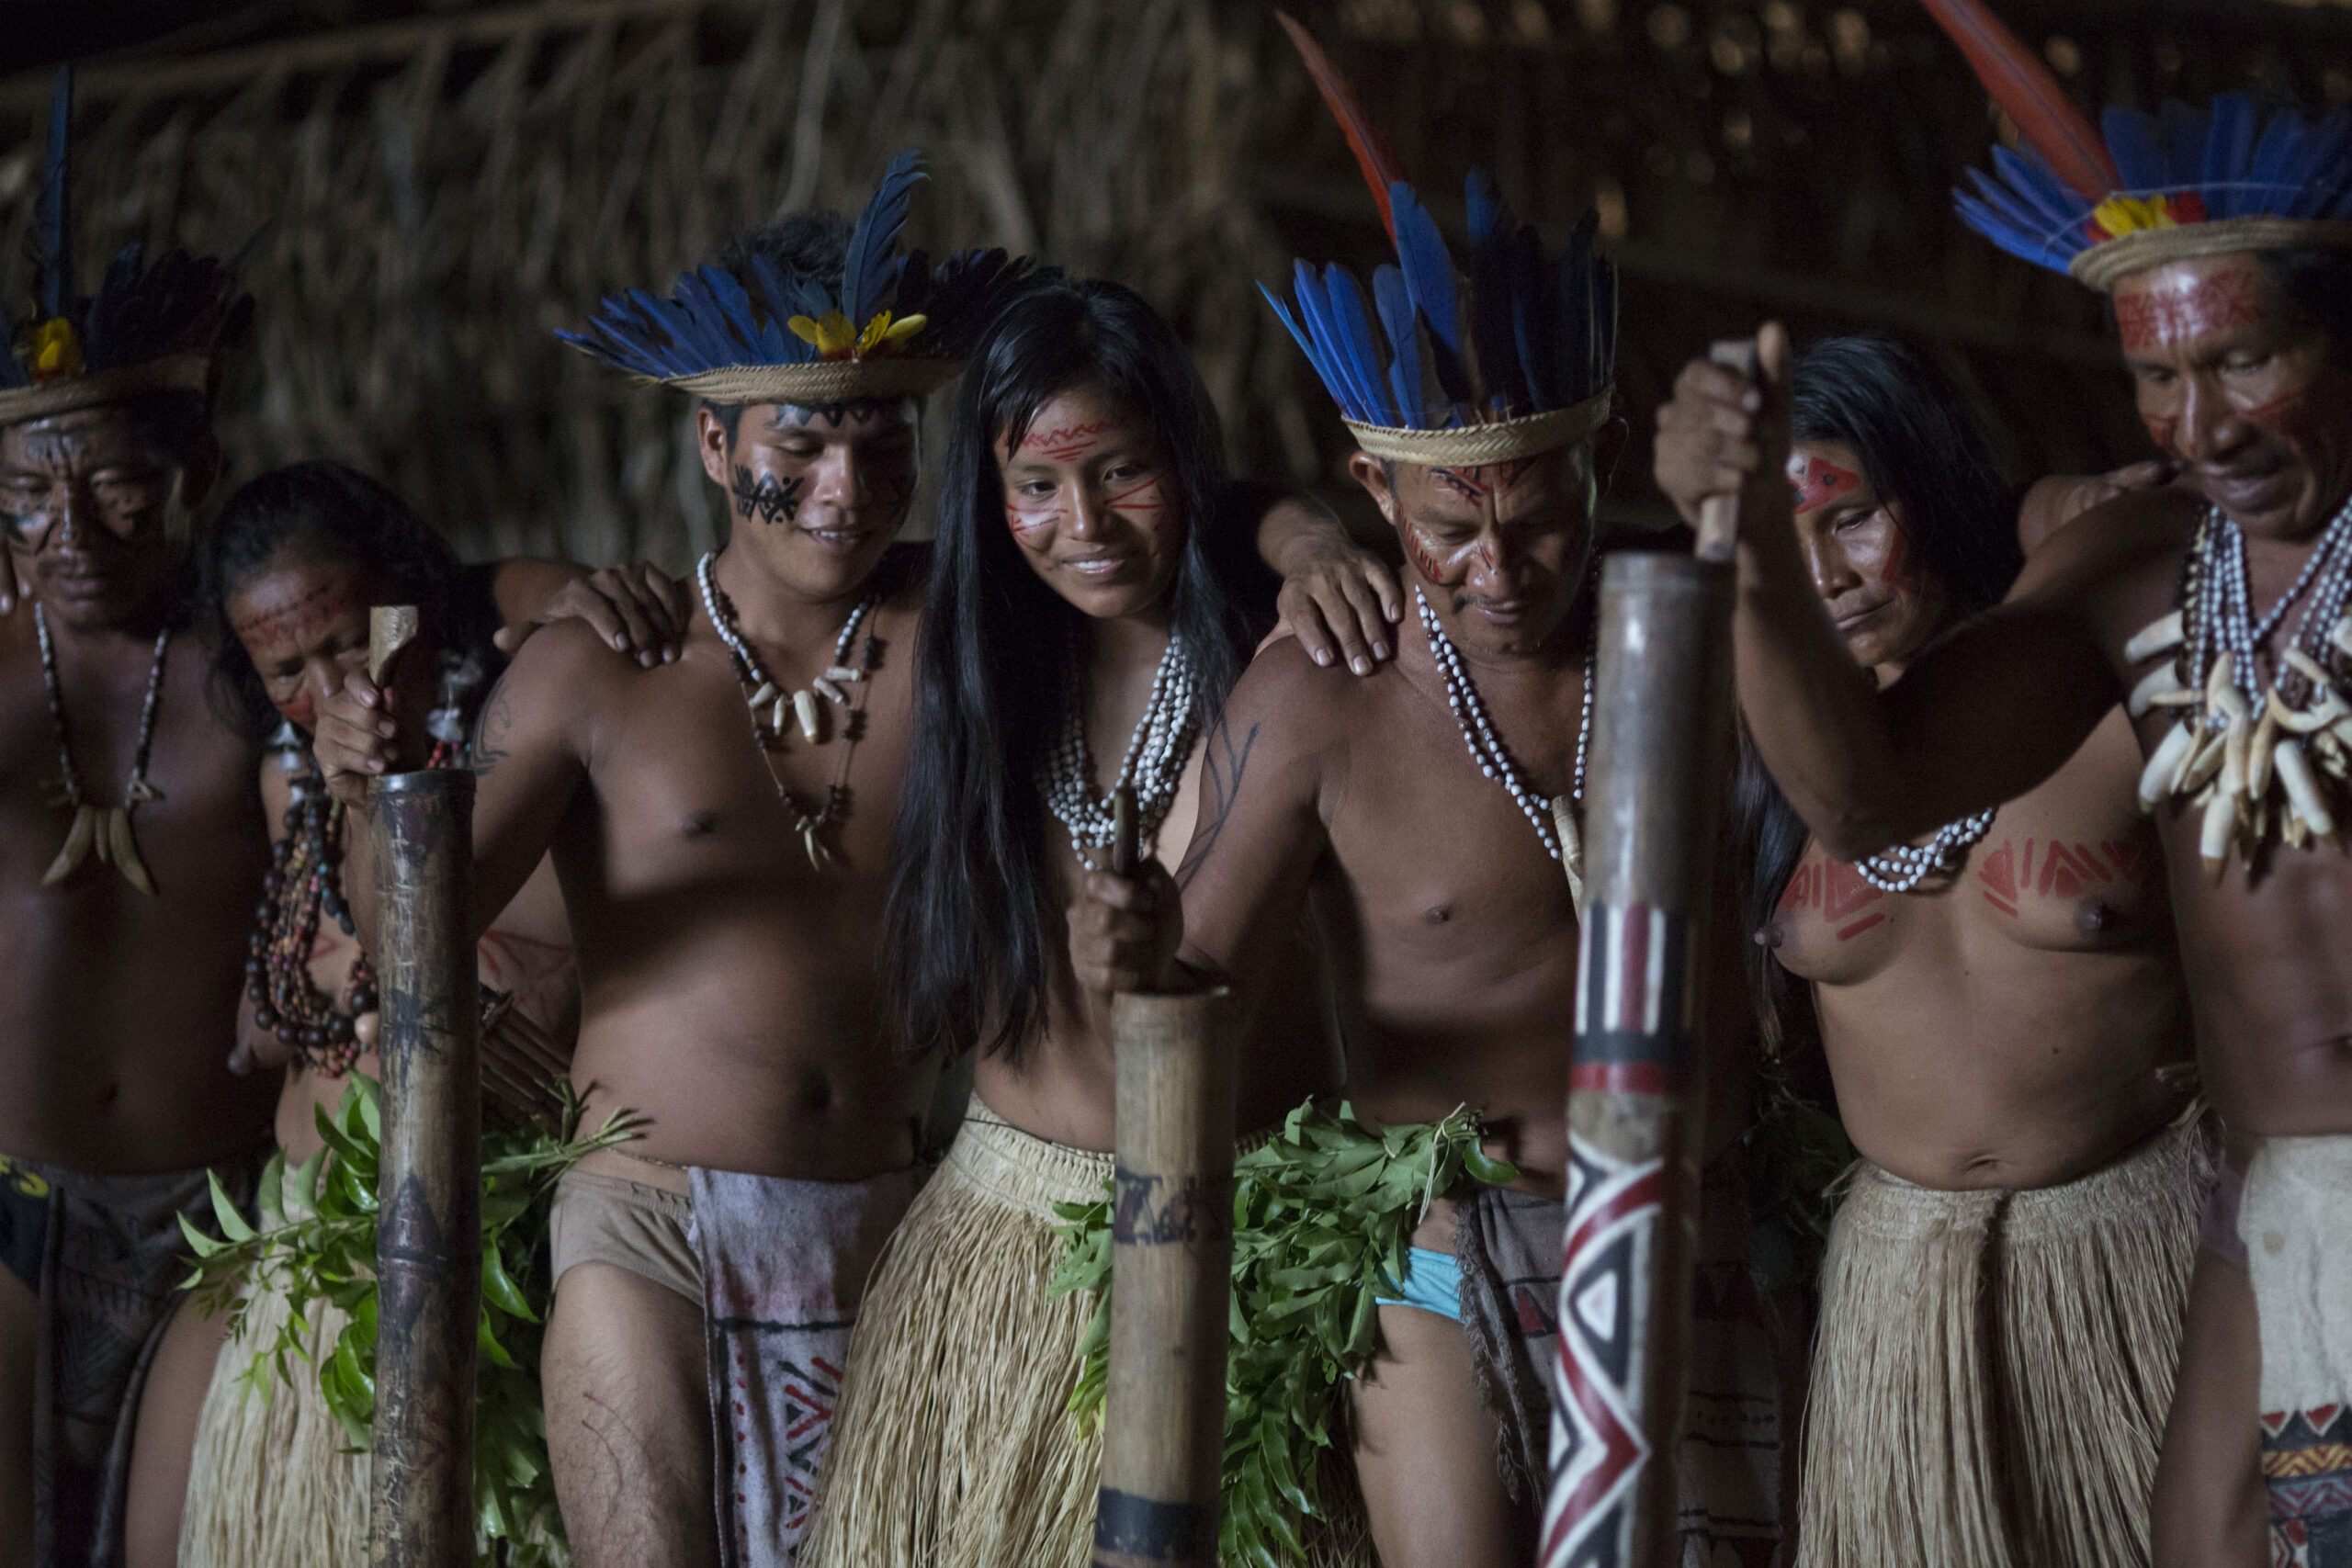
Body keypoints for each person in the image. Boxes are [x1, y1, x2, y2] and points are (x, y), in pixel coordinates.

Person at [1657, 14, 2352, 1560]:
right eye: (2160, 376)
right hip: (2260, 1210)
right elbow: (1867, 808)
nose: (2204, 425)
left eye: (2246, 357)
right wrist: (1751, 543)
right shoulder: (2131, 570)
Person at [1069, 111, 1791, 1559]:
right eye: (1450, 532)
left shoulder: (1699, 649)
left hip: (1704, 1225)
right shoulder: (1320, 699)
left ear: (1600, 467)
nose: (1500, 570)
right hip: (1441, 1238)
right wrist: (1134, 950)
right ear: (1374, 489)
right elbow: (1186, 982)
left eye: (1538, 519)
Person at [799, 276, 1346, 1568]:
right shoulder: (970, 655)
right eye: (1037, 486)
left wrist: (1311, 540)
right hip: (1003, 1245)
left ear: (1183, 465)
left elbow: (1271, 511)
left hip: (1240, 1246)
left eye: (1123, 471)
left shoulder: (1283, 651)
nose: (1083, 522)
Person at [1731, 335, 2207, 1568]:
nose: (1826, 575)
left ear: (1931, 489)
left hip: (2143, 1247)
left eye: (1851, 518)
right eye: (1787, 545)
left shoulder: (2096, 678)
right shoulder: (1759, 756)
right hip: (1902, 1298)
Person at [96, 460, 588, 1567]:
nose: (332, 684)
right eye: (289, 670)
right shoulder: (292, 774)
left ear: (407, 595)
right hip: (296, 1226)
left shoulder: (531, 714)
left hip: (481, 1234)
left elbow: (546, 597)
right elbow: (282, 1005)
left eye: (349, 639)